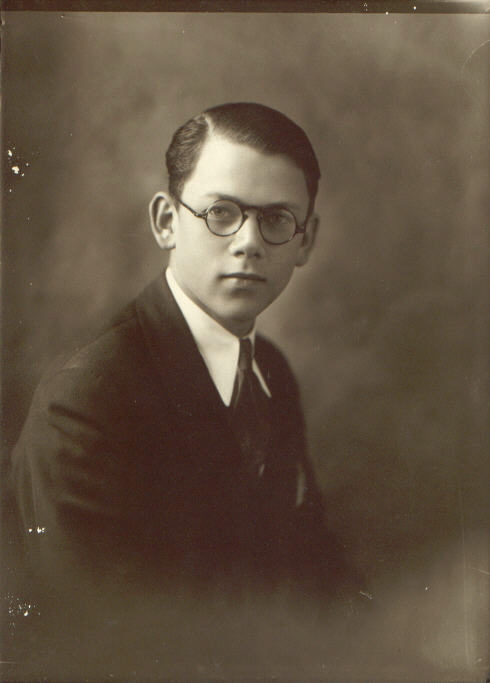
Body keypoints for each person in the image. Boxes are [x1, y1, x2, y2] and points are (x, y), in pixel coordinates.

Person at [10, 104, 364, 650]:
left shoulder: (269, 372)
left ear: (306, 241)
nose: (248, 242)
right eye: (221, 212)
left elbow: (315, 570)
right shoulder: (86, 398)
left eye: (277, 219)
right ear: (166, 222)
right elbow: (91, 634)